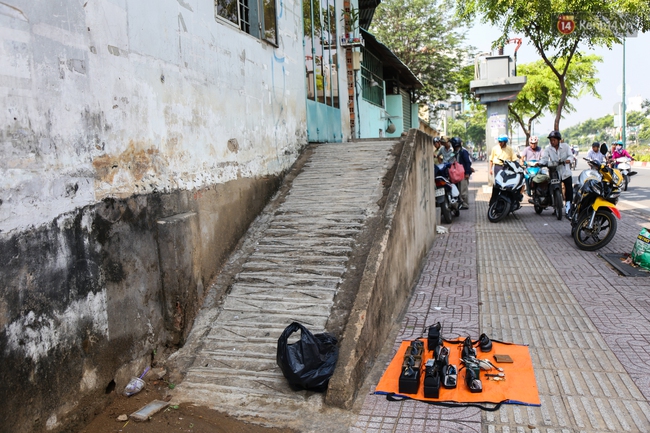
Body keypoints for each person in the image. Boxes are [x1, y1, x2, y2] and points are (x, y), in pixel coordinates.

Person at [540, 130, 573, 216]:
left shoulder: (565, 146)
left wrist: (569, 160)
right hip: (554, 171)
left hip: (565, 171)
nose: (552, 142)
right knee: (553, 188)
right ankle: (556, 206)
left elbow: (571, 155)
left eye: (554, 140)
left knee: (569, 189)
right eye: (551, 140)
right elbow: (544, 158)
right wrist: (540, 163)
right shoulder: (548, 149)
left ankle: (569, 206)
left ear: (558, 140)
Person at [451, 137, 474, 209]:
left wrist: (467, 173)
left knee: (463, 189)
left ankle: (465, 204)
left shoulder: (463, 151)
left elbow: (468, 162)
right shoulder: (455, 152)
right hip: (457, 173)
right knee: (459, 189)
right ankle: (460, 203)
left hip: (463, 173)